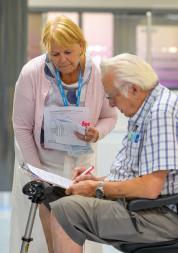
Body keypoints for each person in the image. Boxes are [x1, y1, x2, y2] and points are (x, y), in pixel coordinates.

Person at [47, 53, 178, 253]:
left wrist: (97, 187)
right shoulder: (145, 108)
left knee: (65, 210)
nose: (111, 104)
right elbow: (136, 175)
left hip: (163, 217)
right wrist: (97, 180)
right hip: (147, 207)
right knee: (53, 197)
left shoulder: (160, 113)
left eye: (112, 96)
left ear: (134, 89)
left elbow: (150, 187)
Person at [10, 16, 117, 253]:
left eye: (68, 52)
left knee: (80, 234)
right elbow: (21, 127)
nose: (62, 60)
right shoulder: (32, 73)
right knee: (42, 234)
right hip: (42, 165)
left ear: (82, 45)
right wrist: (37, 172)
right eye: (55, 54)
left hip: (81, 167)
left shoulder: (98, 73)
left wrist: (97, 132)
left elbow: (110, 116)